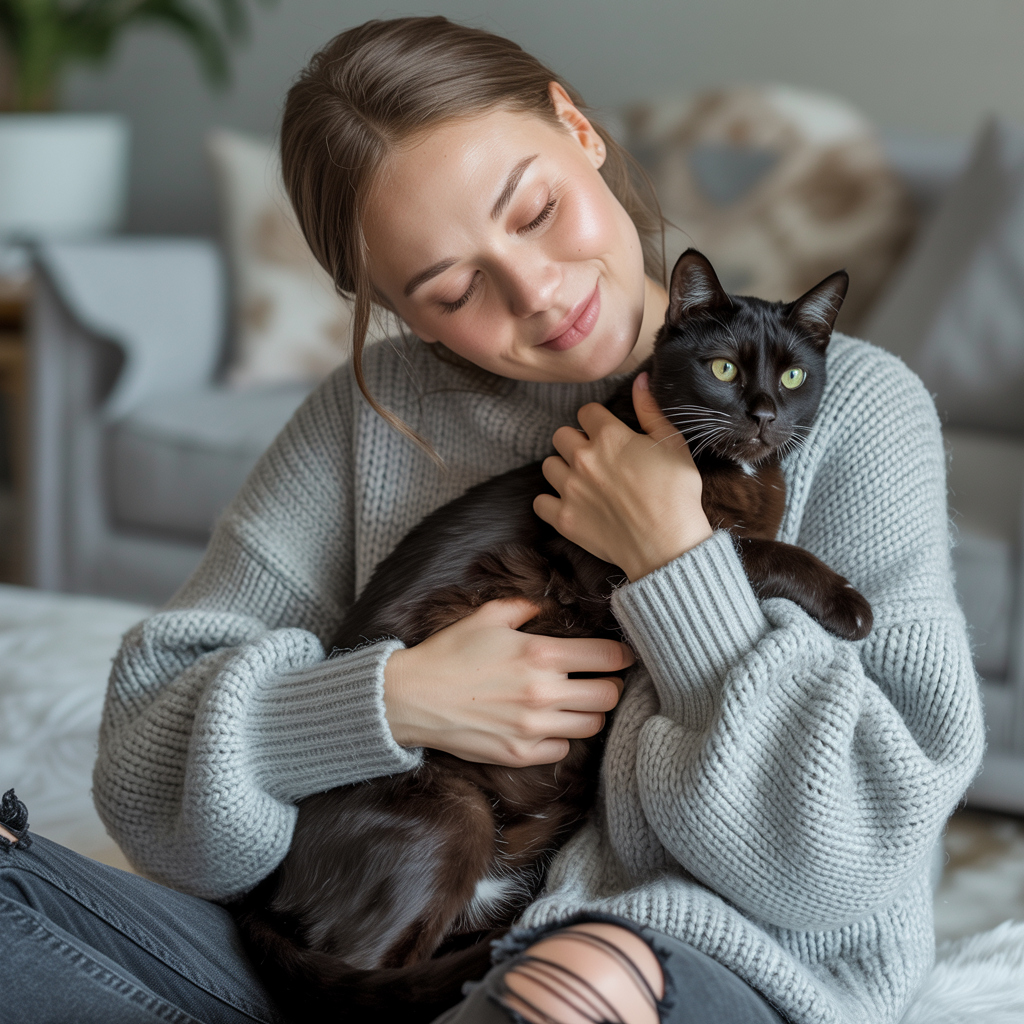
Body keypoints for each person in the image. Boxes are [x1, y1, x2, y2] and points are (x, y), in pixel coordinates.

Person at [0, 16, 983, 1024]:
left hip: (674, 965)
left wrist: (677, 562)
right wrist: (385, 702)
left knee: (568, 988)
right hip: (375, 958)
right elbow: (144, 778)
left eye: (536, 209)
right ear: (395, 309)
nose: (538, 290)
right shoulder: (370, 408)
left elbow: (851, 854)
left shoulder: (856, 408)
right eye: (455, 287)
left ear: (574, 126)